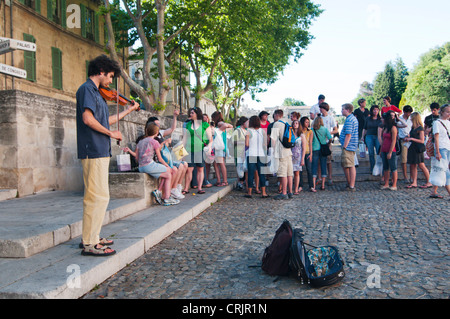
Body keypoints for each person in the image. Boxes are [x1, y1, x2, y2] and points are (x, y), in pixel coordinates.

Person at [76, 54, 139, 256]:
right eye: (110, 76)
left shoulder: (96, 93)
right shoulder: (87, 89)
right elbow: (87, 119)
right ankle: (90, 243)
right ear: (101, 72)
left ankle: (92, 236)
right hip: (93, 149)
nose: (111, 81)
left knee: (98, 196)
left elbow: (104, 121)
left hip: (99, 149)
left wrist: (127, 111)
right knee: (98, 197)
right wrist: (111, 134)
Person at [125, 123, 180, 206]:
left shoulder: (140, 142)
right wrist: (168, 166)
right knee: (169, 171)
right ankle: (166, 198)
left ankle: (161, 193)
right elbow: (160, 159)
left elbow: (136, 156)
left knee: (167, 175)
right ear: (157, 132)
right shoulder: (154, 142)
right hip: (149, 165)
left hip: (141, 167)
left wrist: (129, 150)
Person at [183, 107, 213, 195]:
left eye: (192, 113)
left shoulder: (204, 125)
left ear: (197, 114)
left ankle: (199, 188)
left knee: (200, 169)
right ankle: (186, 188)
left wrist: (209, 147)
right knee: (189, 169)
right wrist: (182, 151)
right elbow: (185, 138)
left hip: (200, 150)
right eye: (190, 113)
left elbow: (210, 139)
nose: (190, 114)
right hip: (189, 149)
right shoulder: (188, 125)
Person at [404, 112, 431, 189]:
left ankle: (429, 181)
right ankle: (414, 182)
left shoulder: (420, 128)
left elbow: (422, 140)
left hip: (417, 148)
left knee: (421, 165)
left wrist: (411, 138)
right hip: (412, 148)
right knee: (413, 165)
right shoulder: (413, 128)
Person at [429, 104, 450, 199]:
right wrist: (437, 152)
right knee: (445, 171)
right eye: (447, 112)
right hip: (441, 148)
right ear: (442, 112)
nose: (449, 114)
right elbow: (436, 138)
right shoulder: (437, 123)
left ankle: (434, 191)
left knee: (441, 170)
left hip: (448, 147)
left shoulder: (448, 122)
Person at [271, 113, 294, 199]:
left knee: (283, 173)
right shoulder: (287, 123)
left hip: (280, 152)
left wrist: (272, 151)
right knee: (289, 173)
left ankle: (284, 193)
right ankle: (290, 192)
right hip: (288, 151)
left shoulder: (276, 124)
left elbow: (273, 139)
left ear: (277, 115)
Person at [244, 116, 269, 198]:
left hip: (251, 153)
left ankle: (250, 192)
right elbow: (265, 144)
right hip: (261, 154)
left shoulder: (248, 131)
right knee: (262, 174)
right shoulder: (262, 131)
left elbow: (247, 144)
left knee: (251, 173)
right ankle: (264, 192)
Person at [339, 103, 359, 191]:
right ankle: (350, 183)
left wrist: (345, 146)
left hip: (349, 146)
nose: (341, 111)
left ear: (347, 110)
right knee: (347, 165)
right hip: (351, 146)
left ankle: (351, 185)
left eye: (342, 109)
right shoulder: (352, 119)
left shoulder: (350, 120)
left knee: (350, 165)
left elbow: (348, 134)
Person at [318, 102, 338, 185]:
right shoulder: (319, 118)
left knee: (328, 160)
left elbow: (336, 130)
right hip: (320, 141)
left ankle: (330, 177)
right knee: (319, 160)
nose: (320, 110)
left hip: (327, 141)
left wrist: (328, 133)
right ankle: (319, 177)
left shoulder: (330, 118)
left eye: (321, 108)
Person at [311, 115, 332, 192]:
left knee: (314, 166)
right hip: (323, 149)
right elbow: (330, 138)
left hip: (315, 149)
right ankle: (323, 185)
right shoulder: (325, 129)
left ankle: (313, 185)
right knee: (323, 166)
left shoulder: (312, 130)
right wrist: (327, 143)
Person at [380, 111, 399, 191]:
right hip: (384, 149)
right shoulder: (385, 128)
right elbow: (383, 139)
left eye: (383, 119)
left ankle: (394, 184)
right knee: (385, 167)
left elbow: (394, 141)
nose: (382, 120)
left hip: (391, 150)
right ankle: (386, 183)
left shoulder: (393, 128)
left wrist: (390, 152)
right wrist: (381, 150)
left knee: (393, 167)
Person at [361, 105, 382, 173]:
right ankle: (372, 168)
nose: (375, 111)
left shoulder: (380, 119)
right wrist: (362, 137)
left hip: (378, 136)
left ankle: (379, 168)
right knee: (371, 153)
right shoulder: (368, 119)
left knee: (379, 152)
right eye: (374, 110)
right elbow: (365, 128)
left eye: (377, 109)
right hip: (369, 136)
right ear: (372, 110)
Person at [213, 121, 233, 186]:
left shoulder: (220, 130)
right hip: (219, 149)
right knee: (216, 164)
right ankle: (219, 180)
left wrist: (224, 124)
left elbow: (230, 126)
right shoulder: (222, 130)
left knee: (221, 164)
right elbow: (231, 126)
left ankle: (224, 181)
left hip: (220, 149)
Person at [232, 116, 249, 191]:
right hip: (239, 151)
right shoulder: (237, 130)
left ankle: (244, 182)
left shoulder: (246, 130)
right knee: (239, 167)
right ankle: (240, 182)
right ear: (243, 123)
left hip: (246, 151)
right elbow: (233, 141)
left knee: (245, 167)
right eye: (247, 122)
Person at [397, 105, 413, 182]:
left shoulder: (411, 119)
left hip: (410, 139)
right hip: (402, 139)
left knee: (411, 159)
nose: (408, 114)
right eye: (407, 112)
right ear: (404, 112)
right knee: (404, 159)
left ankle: (412, 176)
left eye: (410, 113)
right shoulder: (399, 119)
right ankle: (405, 176)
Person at [291, 120, 306, 194]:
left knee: (297, 173)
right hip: (290, 155)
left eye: (296, 123)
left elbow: (304, 148)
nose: (295, 124)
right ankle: (290, 189)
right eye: (294, 123)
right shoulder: (290, 134)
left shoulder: (301, 135)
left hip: (298, 156)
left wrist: (302, 158)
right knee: (290, 173)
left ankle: (296, 189)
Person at [299, 116, 314, 191]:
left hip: (307, 151)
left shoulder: (310, 132)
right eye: (306, 122)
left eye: (308, 122)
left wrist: (311, 153)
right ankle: (300, 185)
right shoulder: (299, 131)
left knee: (309, 169)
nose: (307, 123)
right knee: (300, 170)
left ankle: (311, 186)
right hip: (300, 152)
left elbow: (310, 143)